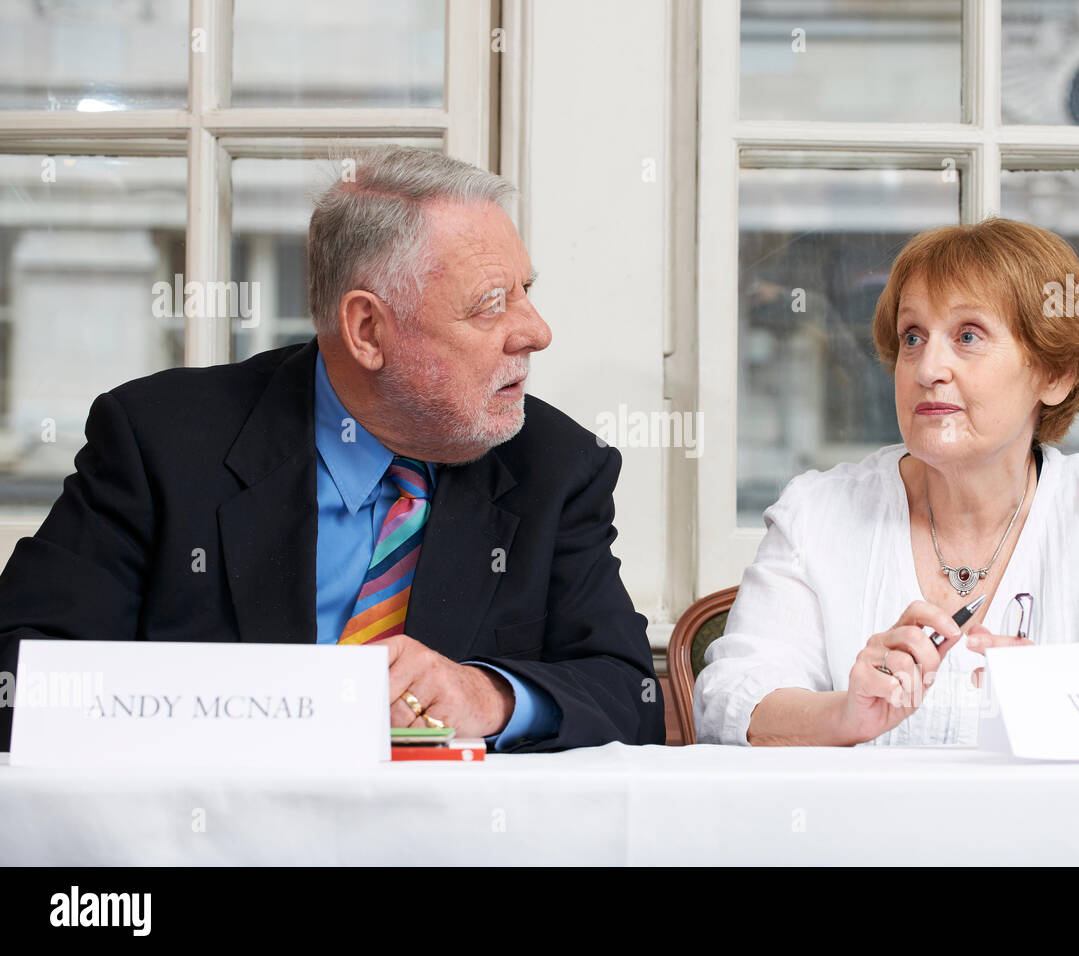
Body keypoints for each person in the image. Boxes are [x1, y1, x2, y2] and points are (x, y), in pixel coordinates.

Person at [0, 146, 663, 752]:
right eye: (491, 304)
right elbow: (21, 671)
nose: (536, 332)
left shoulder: (554, 464)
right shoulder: (162, 441)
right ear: (367, 329)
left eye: (526, 291)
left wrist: (489, 697)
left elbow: (630, 699)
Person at [694, 218, 1079, 747]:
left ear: (1054, 375)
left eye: (968, 336)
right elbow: (730, 703)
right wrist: (846, 717)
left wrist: (1064, 701)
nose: (927, 368)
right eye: (912, 337)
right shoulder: (816, 512)